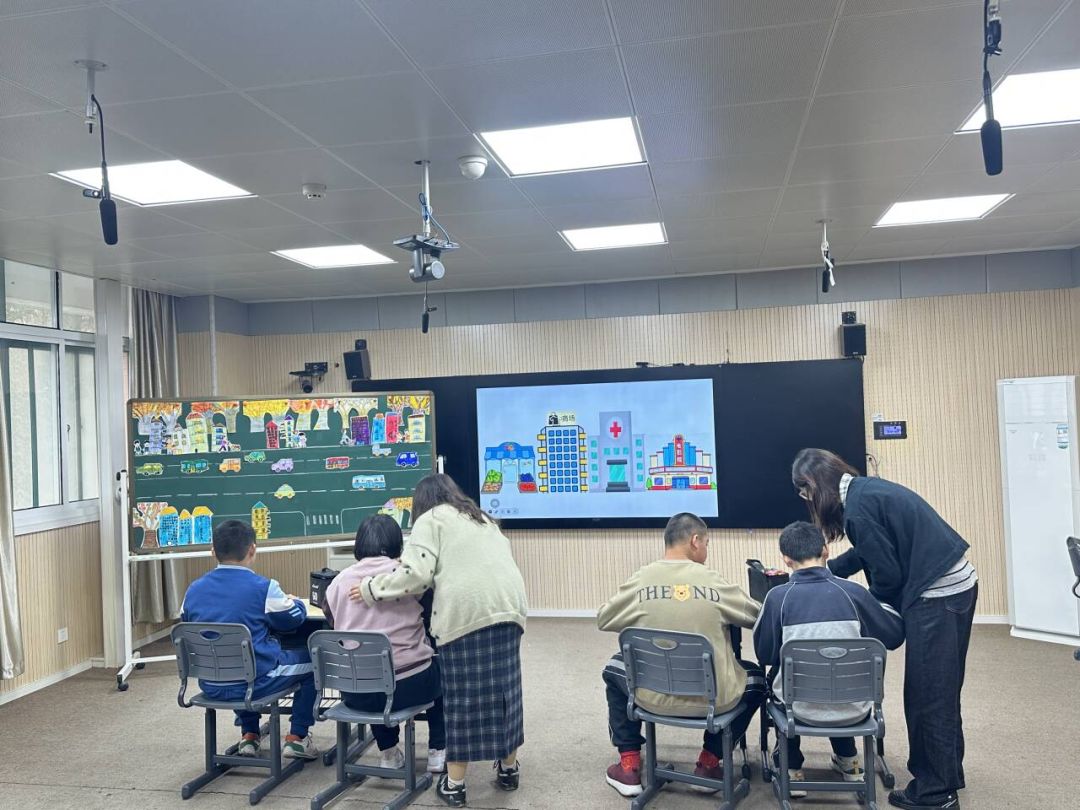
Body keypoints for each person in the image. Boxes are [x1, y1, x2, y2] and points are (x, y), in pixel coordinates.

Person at [792, 449, 977, 810]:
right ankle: (947, 775)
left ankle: (935, 793)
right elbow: (869, 551)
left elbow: (888, 577)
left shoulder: (858, 511)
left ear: (813, 486)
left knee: (926, 697)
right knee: (942, 689)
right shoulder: (865, 492)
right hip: (957, 585)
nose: (806, 500)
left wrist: (864, 611)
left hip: (936, 593)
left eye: (804, 492)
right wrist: (830, 572)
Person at [349, 474, 527, 807]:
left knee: (461, 702)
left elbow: (416, 576)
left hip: (467, 615)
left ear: (421, 502)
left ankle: (455, 785)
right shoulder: (482, 519)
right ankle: (509, 769)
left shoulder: (430, 520)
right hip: (509, 610)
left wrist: (372, 588)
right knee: (506, 695)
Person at [597, 513, 766, 798]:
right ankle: (709, 764)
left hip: (649, 696)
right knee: (757, 680)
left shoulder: (641, 578)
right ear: (695, 540)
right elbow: (757, 616)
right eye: (707, 543)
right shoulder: (712, 581)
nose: (706, 550)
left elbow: (604, 618)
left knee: (613, 668)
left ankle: (628, 765)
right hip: (712, 701)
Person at [753, 521, 905, 794]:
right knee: (836, 672)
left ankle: (791, 767)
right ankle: (849, 761)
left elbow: (764, 653)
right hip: (854, 706)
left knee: (779, 676)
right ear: (825, 550)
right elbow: (893, 636)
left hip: (798, 709)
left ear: (786, 559)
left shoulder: (777, 598)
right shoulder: (855, 593)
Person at [180, 520, 319, 760]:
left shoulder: (192, 590)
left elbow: (187, 626)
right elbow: (293, 620)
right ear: (252, 549)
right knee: (314, 662)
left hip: (210, 682)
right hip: (256, 683)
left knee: (233, 658)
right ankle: (297, 738)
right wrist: (295, 601)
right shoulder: (264, 588)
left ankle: (249, 735)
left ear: (213, 551)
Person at [323, 514, 446, 774]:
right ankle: (438, 750)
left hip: (356, 691)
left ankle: (388, 751)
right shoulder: (407, 578)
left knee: (369, 667)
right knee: (442, 670)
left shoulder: (337, 583)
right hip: (410, 687)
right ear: (397, 544)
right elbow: (434, 617)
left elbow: (332, 624)